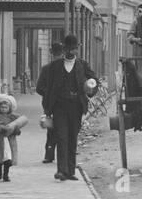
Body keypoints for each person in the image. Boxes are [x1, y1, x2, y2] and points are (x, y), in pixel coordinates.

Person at [37, 34, 101, 181]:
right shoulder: (53, 67)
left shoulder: (82, 65)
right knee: (61, 137)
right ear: (63, 49)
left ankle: (70, 171)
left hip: (76, 106)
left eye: (73, 49)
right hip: (59, 107)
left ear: (77, 49)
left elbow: (95, 81)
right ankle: (61, 171)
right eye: (68, 49)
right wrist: (49, 103)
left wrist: (90, 88)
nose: (71, 52)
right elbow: (44, 88)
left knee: (72, 137)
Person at [0, 93, 29, 182]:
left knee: (8, 159)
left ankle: (6, 175)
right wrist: (3, 128)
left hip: (9, 141)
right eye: (2, 107)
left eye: (6, 107)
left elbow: (17, 126)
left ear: (9, 108)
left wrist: (15, 130)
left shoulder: (13, 117)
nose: (4, 109)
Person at [36, 41, 64, 163]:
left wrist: (49, 95)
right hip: (58, 105)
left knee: (52, 131)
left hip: (51, 105)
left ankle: (49, 155)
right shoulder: (66, 69)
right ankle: (57, 156)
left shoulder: (46, 69)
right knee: (59, 131)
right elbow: (39, 88)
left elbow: (39, 88)